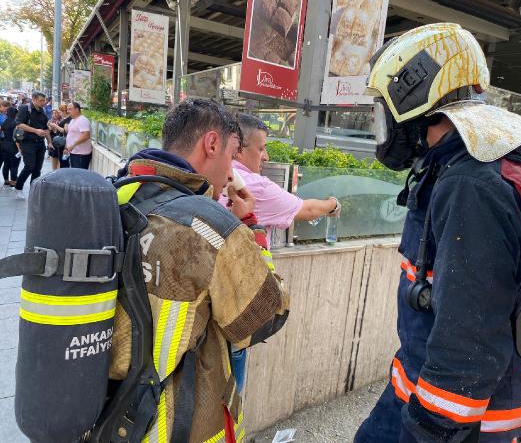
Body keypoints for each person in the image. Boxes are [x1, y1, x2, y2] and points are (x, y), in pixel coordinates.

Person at [354, 23, 521, 443]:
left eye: (384, 107)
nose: (384, 122)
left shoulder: (472, 183)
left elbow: (469, 336)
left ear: (414, 92)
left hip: (459, 414)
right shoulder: (489, 160)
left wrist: (434, 429)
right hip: (461, 393)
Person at [110, 98, 289, 442]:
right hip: (173, 425)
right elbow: (268, 314)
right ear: (211, 144)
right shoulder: (210, 227)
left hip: (107, 419)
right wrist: (250, 227)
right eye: (233, 153)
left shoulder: (119, 193)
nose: (233, 168)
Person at [220, 113, 341, 249]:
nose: (266, 156)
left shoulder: (215, 174)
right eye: (261, 149)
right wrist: (333, 204)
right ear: (239, 150)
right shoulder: (259, 187)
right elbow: (309, 210)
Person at [14, 91, 52, 199]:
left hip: (40, 143)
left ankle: (33, 190)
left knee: (37, 169)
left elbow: (45, 129)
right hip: (27, 142)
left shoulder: (43, 110)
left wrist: (49, 142)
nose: (43, 102)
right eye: (41, 100)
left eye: (44, 100)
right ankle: (18, 187)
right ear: (34, 99)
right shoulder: (25, 108)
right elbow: (19, 124)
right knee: (29, 166)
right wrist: (35, 131)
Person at [64, 102, 92, 169]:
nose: (68, 111)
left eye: (70, 109)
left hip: (81, 155)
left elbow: (86, 135)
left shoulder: (83, 120)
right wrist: (66, 147)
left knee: (79, 176)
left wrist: (73, 145)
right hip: (73, 152)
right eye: (67, 109)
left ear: (77, 109)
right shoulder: (73, 120)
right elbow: (70, 135)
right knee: (74, 175)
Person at [0, 105, 20, 187]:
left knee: (6, 164)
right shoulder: (16, 123)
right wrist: (20, 149)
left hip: (4, 145)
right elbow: (17, 138)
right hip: (13, 146)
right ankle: (13, 181)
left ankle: (6, 180)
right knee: (14, 164)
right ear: (15, 114)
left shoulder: (4, 122)